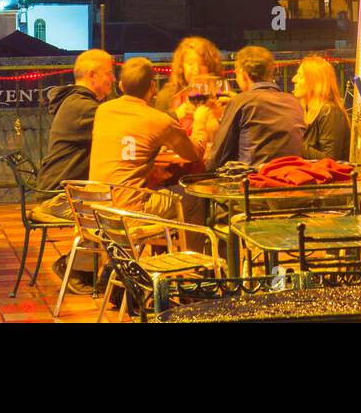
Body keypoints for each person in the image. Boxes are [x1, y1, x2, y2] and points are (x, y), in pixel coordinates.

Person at [34, 49, 115, 292]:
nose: (113, 79)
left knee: (108, 204)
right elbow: (123, 127)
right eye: (110, 73)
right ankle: (76, 268)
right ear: (92, 75)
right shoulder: (82, 107)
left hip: (63, 190)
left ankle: (85, 269)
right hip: (57, 197)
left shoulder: (77, 102)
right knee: (110, 214)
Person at [89, 57, 209, 220]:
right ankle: (190, 247)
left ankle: (165, 243)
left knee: (159, 188)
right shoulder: (158, 120)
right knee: (194, 195)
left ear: (121, 86)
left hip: (96, 210)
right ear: (153, 86)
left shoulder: (102, 111)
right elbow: (195, 154)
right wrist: (201, 120)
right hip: (130, 212)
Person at [208, 46, 305, 169]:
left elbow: (217, 157)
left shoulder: (240, 101)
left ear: (243, 74)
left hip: (253, 182)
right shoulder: (294, 102)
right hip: (291, 179)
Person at [155, 36, 224, 132]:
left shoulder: (221, 96)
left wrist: (220, 116)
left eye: (203, 64)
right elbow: (156, 132)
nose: (196, 70)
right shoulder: (167, 95)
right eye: (190, 64)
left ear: (211, 67)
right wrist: (177, 114)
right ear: (181, 67)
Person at [293, 55, 350, 161]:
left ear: (315, 82)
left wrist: (294, 144)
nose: (294, 79)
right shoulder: (304, 111)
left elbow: (330, 159)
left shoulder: (330, 112)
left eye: (300, 76)